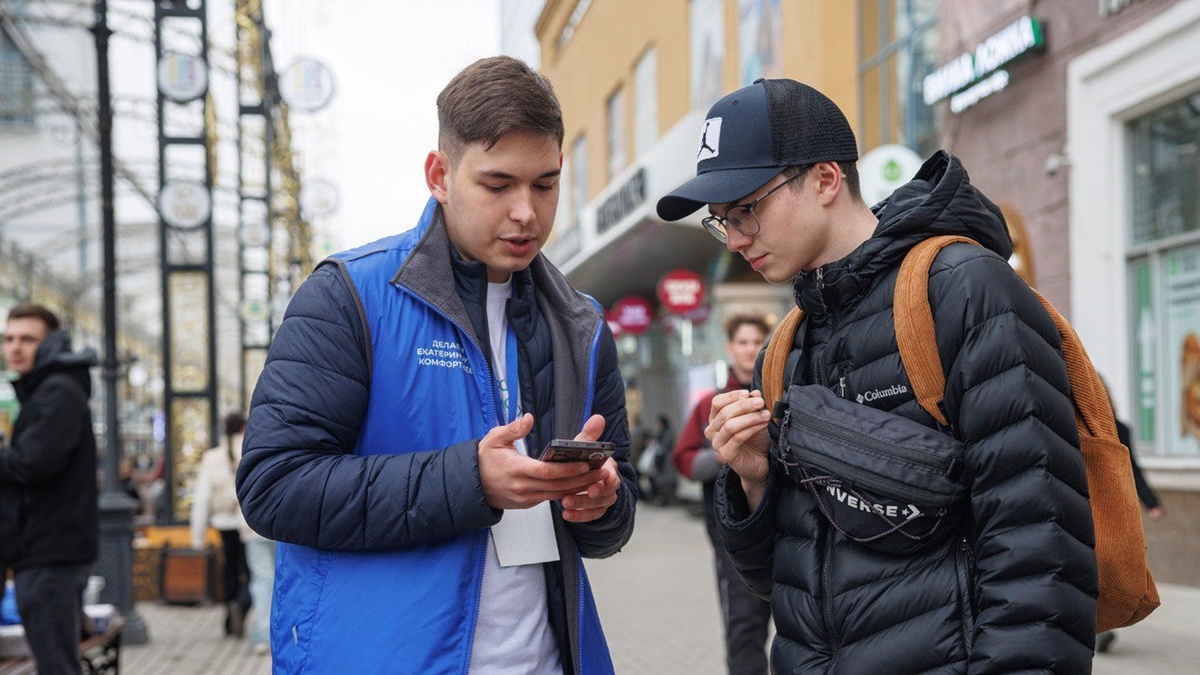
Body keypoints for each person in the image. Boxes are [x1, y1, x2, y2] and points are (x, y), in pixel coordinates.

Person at [656, 78, 1098, 673]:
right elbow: (780, 584)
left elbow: (1040, 549)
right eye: (720, 222)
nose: (735, 239)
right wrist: (754, 483)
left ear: (825, 179)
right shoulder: (782, 349)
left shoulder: (963, 290)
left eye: (746, 210)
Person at [236, 55, 637, 674]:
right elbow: (273, 487)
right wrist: (469, 481)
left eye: (545, 184)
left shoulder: (581, 324)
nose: (526, 212)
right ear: (439, 175)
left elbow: (611, 524)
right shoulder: (349, 295)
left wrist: (602, 504)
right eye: (498, 185)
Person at [0, 304, 99, 675]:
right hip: (46, 552)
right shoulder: (47, 390)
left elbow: (32, 464)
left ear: (50, 344)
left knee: (56, 665)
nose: (15, 348)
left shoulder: (57, 392)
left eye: (28, 339)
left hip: (50, 553)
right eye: (9, 339)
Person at [672, 313, 772, 675]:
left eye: (756, 342)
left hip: (789, 529)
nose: (749, 350)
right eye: (742, 342)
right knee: (744, 627)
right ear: (730, 348)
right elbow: (683, 460)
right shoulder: (709, 405)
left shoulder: (780, 394)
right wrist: (727, 455)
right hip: (734, 539)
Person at [190, 412, 252, 639]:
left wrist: (197, 538)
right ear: (243, 428)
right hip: (248, 523)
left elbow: (202, 498)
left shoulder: (212, 457)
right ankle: (242, 604)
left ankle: (229, 616)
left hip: (223, 522)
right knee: (250, 570)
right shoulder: (247, 451)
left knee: (230, 569)